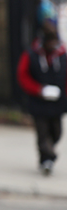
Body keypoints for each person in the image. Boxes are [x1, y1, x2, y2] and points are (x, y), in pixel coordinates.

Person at [17, 21, 67, 176]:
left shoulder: (62, 55)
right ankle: (48, 158)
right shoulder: (31, 55)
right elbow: (22, 75)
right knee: (42, 132)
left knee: (57, 133)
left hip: (57, 102)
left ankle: (46, 157)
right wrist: (38, 90)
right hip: (38, 101)